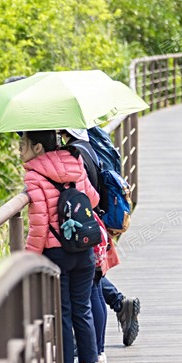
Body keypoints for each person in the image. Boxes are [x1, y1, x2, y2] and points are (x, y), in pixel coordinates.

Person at [21, 129, 101, 363]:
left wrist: (29, 258)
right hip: (85, 250)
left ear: (38, 148)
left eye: (23, 144)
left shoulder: (34, 176)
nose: (19, 149)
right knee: (83, 309)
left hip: (57, 255)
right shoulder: (75, 161)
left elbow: (39, 225)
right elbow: (93, 200)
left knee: (62, 312)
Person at [62, 128, 141, 349]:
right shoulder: (91, 143)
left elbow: (83, 192)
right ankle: (118, 305)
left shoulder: (74, 153)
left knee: (91, 282)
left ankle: (94, 350)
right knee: (92, 279)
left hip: (86, 227)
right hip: (96, 222)